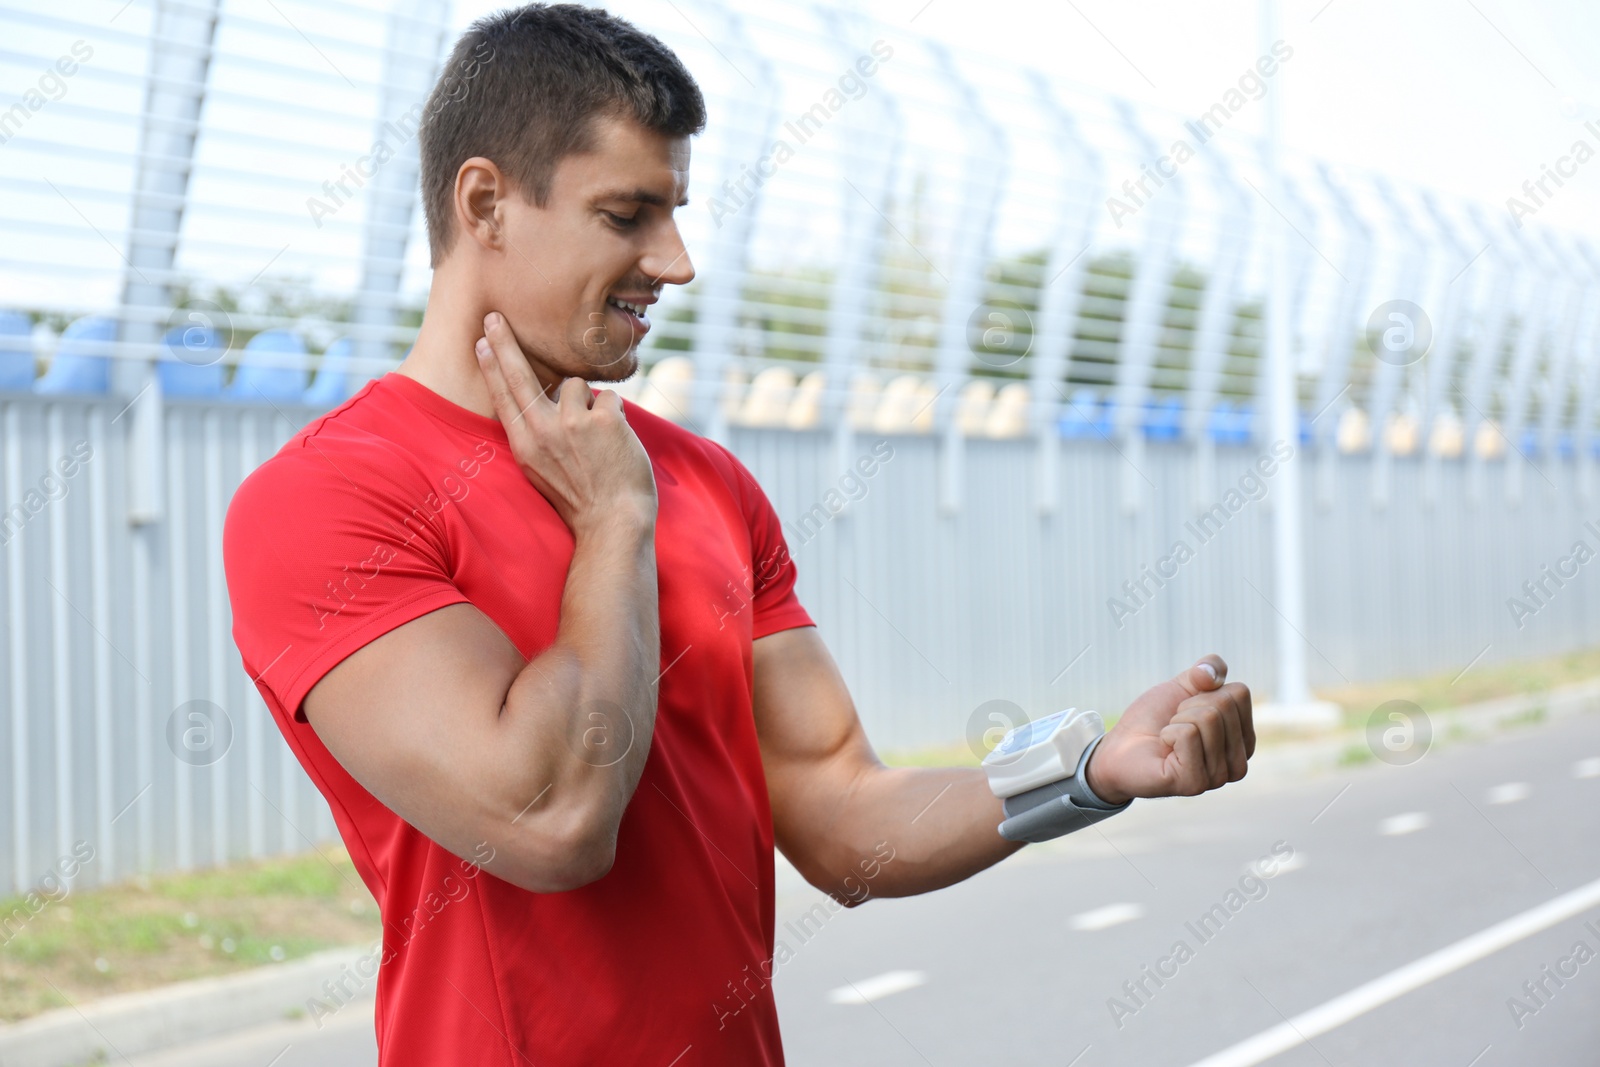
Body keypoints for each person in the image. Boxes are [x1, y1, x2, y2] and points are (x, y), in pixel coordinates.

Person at [222, 5, 1255, 1064]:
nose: (674, 262)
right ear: (485, 202)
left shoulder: (706, 481)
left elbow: (842, 813)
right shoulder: (325, 501)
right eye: (628, 214)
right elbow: (553, 817)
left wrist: (1088, 771)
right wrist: (612, 522)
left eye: (674, 211)